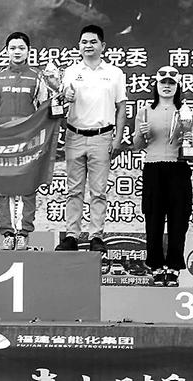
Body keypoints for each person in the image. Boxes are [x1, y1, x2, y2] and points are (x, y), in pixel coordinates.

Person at [0, 32, 49, 250]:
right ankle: (7, 233)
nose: (17, 52)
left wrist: (61, 99)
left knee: (28, 186)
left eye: (21, 48)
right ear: (6, 51)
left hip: (29, 141)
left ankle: (23, 233)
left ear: (28, 51)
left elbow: (47, 108)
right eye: (12, 48)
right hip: (3, 140)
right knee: (4, 185)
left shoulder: (38, 77)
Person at [55, 24, 127, 253]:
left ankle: (96, 235)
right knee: (74, 190)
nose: (88, 45)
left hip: (102, 136)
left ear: (102, 46)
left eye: (93, 42)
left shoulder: (114, 73)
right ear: (79, 46)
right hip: (74, 135)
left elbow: (121, 107)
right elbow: (59, 103)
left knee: (98, 191)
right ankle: (72, 236)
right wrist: (64, 96)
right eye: (84, 42)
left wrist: (117, 139)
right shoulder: (70, 72)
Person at [132, 65, 193, 287]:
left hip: (178, 168)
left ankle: (174, 266)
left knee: (179, 219)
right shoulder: (145, 111)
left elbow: (190, 145)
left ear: (178, 86)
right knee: (154, 219)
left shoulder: (185, 111)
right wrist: (142, 134)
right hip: (153, 168)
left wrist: (190, 139)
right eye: (163, 83)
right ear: (156, 85)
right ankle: (156, 266)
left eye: (171, 83)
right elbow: (137, 145)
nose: (167, 86)